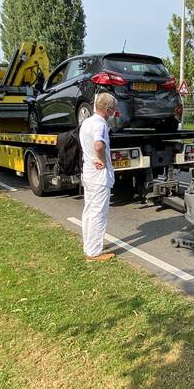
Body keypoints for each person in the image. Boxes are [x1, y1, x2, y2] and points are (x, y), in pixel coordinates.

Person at [79, 93, 118, 262]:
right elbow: (98, 144)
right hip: (99, 176)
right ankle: (94, 252)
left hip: (88, 172)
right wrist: (102, 160)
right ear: (108, 110)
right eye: (114, 109)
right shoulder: (100, 125)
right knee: (98, 214)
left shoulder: (86, 122)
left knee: (89, 211)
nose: (115, 112)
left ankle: (89, 245)